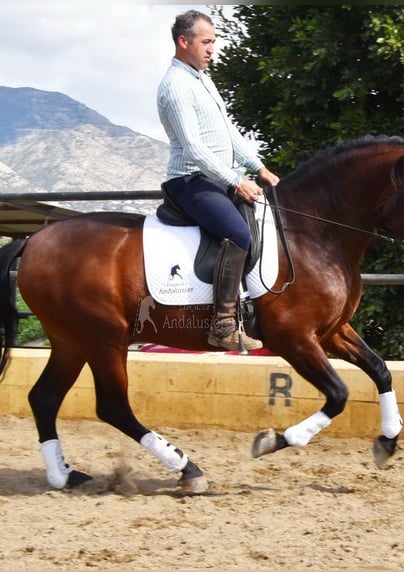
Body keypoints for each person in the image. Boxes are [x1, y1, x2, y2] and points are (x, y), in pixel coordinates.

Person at [157, 9, 280, 352]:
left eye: (213, 42)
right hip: (189, 181)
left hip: (215, 179)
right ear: (184, 42)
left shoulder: (201, 78)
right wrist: (236, 180)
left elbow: (228, 133)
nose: (212, 49)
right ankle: (223, 326)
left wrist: (258, 167)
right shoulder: (176, 85)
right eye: (206, 42)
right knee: (238, 233)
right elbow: (194, 148)